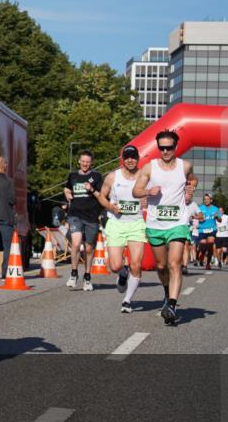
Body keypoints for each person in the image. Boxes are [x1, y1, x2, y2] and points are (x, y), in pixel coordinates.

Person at [132, 130, 197, 326]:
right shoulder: (149, 168)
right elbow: (136, 191)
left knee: (174, 263)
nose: (165, 151)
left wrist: (190, 190)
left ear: (175, 147)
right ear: (158, 147)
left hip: (177, 222)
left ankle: (172, 305)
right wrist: (148, 191)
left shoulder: (185, 166)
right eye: (162, 148)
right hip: (155, 223)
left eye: (169, 147)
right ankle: (167, 292)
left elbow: (193, 180)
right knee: (161, 266)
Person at [95, 145, 145, 313]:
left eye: (133, 157)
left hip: (137, 224)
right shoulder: (112, 176)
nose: (130, 160)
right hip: (116, 223)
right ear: (123, 159)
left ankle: (127, 300)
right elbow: (101, 196)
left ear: (138, 159)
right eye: (127, 157)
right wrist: (110, 206)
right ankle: (123, 274)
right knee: (115, 266)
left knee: (136, 265)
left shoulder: (145, 176)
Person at [63, 150, 103, 291]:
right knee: (75, 242)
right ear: (79, 161)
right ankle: (74, 273)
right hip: (75, 215)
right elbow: (67, 189)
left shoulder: (97, 176)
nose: (85, 164)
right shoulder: (73, 176)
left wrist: (91, 189)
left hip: (91, 216)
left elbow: (102, 196)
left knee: (89, 248)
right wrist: (67, 194)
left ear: (91, 163)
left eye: (88, 161)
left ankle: (87, 276)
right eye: (83, 161)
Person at [197, 194, 219, 268]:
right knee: (203, 245)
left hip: (212, 229)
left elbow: (220, 219)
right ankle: (202, 255)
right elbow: (195, 216)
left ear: (211, 200)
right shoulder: (200, 208)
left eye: (208, 199)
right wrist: (199, 218)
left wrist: (217, 217)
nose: (206, 200)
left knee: (210, 244)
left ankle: (208, 263)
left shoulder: (215, 209)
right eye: (205, 199)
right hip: (202, 229)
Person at [185, 198, 202, 273]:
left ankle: (193, 260)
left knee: (193, 246)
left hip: (193, 232)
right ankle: (186, 261)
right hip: (183, 228)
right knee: (186, 246)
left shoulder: (195, 217)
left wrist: (194, 220)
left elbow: (201, 218)